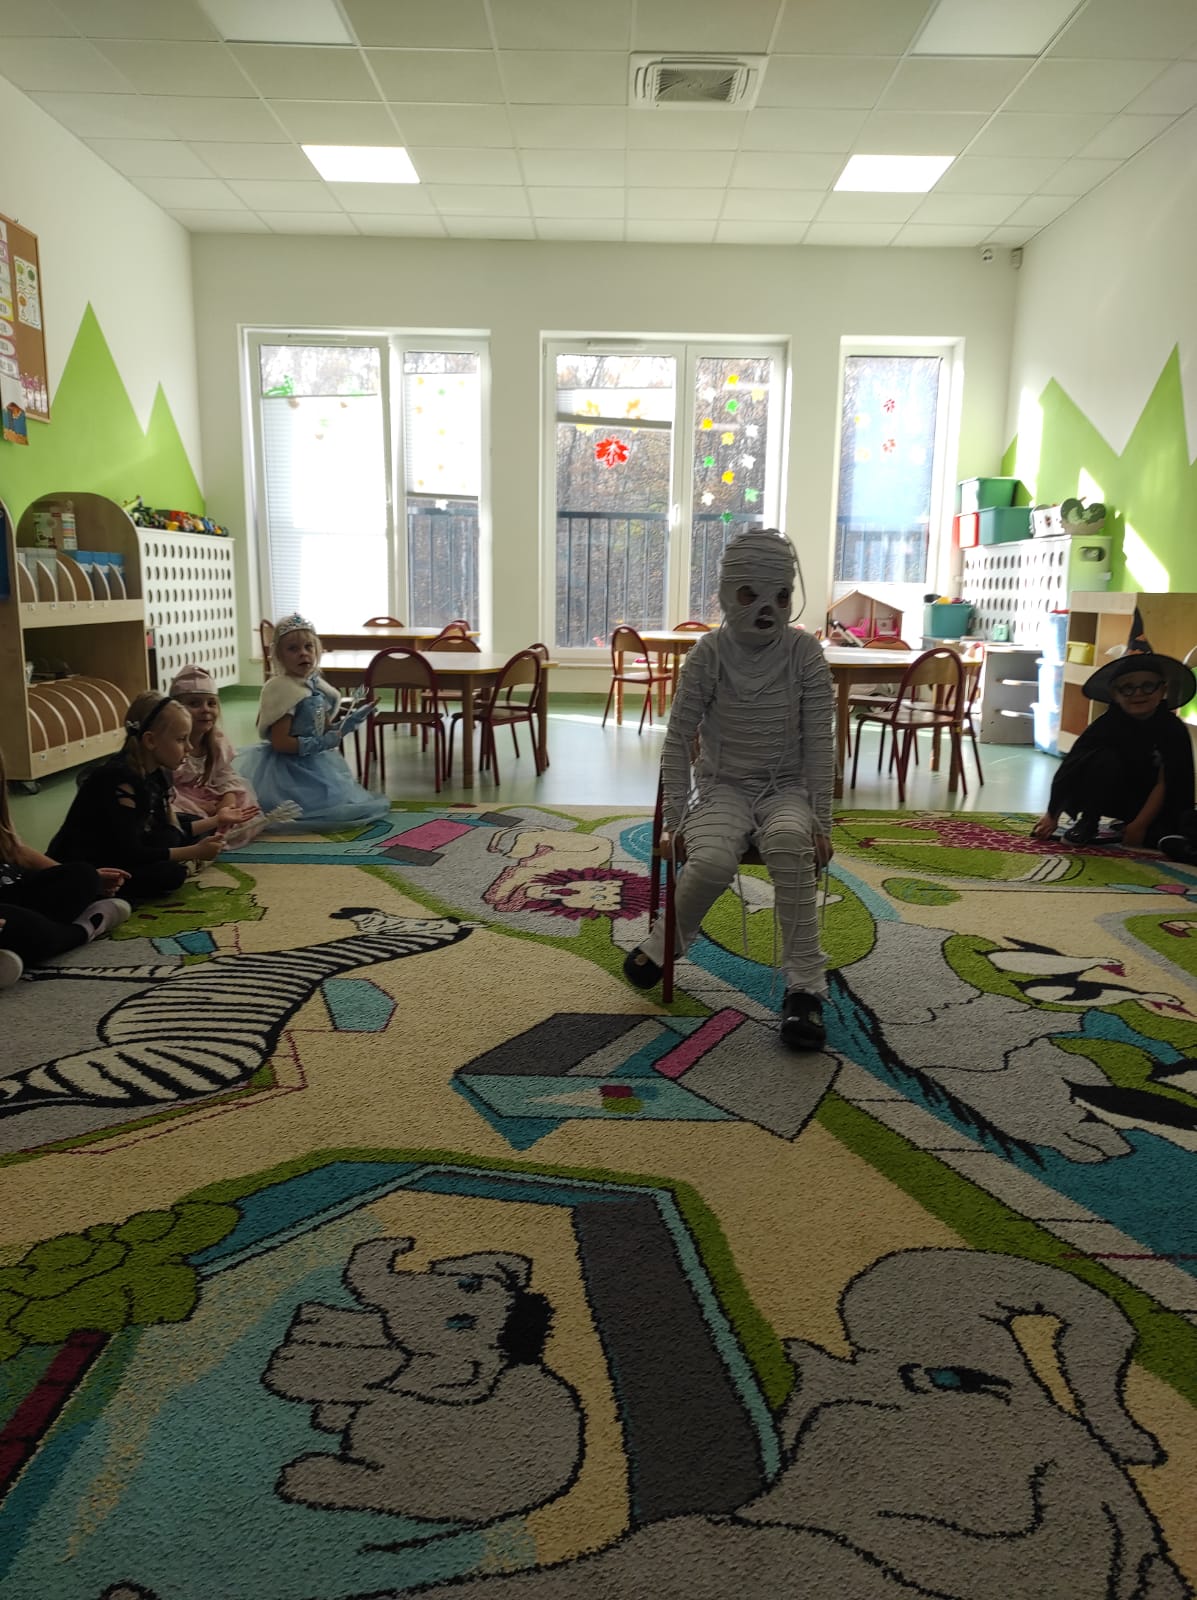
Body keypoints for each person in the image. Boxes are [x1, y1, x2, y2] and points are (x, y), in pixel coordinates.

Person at [622, 528, 835, 1051]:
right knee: (712, 859)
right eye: (750, 594)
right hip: (722, 789)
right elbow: (678, 738)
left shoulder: (805, 653)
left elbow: (819, 744)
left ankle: (805, 989)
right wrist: (676, 818)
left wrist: (821, 822)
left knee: (791, 845)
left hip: (786, 791)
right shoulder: (709, 653)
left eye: (780, 596)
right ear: (726, 592)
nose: (766, 609)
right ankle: (666, 943)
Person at [48, 692, 230, 902]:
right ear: (150, 740)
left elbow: (161, 827)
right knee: (170, 875)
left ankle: (183, 858)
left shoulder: (157, 774)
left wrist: (216, 821)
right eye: (181, 739)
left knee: (187, 826)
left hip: (130, 847)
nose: (189, 747)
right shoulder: (119, 779)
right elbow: (129, 851)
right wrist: (194, 852)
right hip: (94, 862)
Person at [1032, 645, 1196, 848]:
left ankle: (1143, 824)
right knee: (1102, 758)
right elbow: (1071, 766)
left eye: (1148, 686)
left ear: (1163, 690)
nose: (1138, 694)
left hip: (1151, 800)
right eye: (1127, 688)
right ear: (1115, 694)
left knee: (1163, 838)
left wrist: (1139, 826)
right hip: (1107, 793)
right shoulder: (1106, 725)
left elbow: (1168, 781)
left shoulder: (1172, 729)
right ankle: (1089, 821)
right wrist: (1052, 814)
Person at [234, 614, 386, 831]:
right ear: (279, 656)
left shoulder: (315, 686)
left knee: (339, 805)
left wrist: (350, 722)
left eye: (308, 647)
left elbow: (324, 730)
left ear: (317, 650)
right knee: (307, 813)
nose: (303, 653)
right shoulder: (282, 690)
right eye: (293, 649)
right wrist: (321, 743)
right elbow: (281, 742)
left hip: (316, 763)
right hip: (288, 769)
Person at [0, 746, 132, 990]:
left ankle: (21, 946)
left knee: (82, 875)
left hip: (14, 891)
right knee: (32, 930)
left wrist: (90, 878)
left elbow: (16, 850)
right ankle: (85, 928)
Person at [168, 663, 259, 821]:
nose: (206, 710)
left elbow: (225, 775)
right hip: (179, 799)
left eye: (211, 703)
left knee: (242, 802)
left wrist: (228, 801)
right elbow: (165, 788)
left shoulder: (217, 741)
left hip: (208, 793)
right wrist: (199, 806)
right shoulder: (170, 745)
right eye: (194, 704)